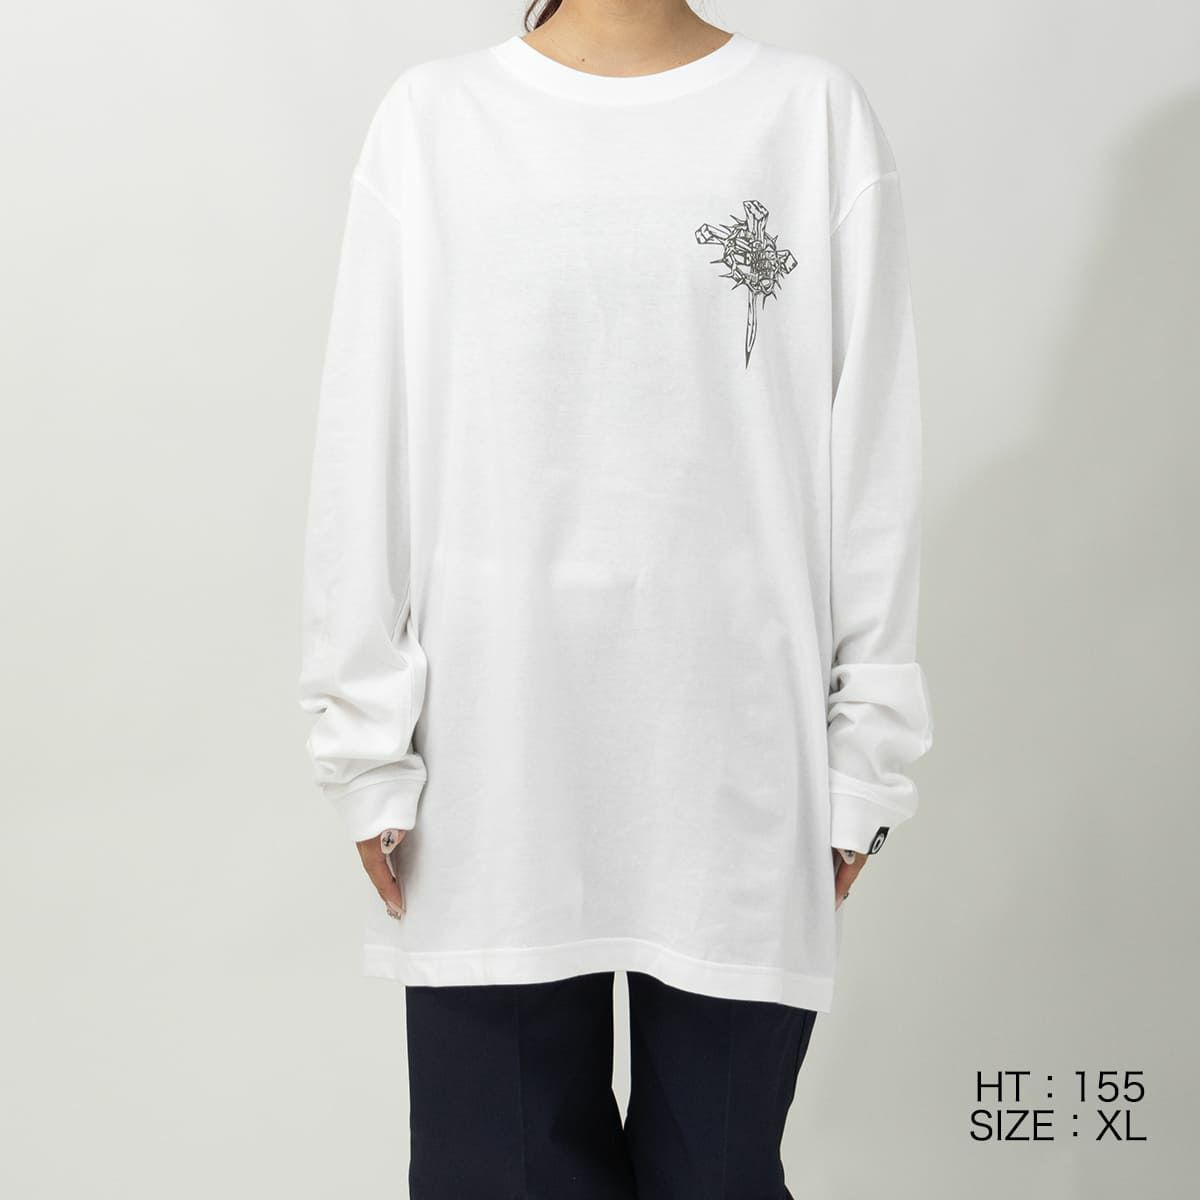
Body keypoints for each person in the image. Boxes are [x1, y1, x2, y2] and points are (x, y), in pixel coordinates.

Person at [297, 1, 934, 1194]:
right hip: (494, 770)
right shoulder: (435, 122)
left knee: (718, 1175)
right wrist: (364, 743)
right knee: (499, 1174)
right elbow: (363, 442)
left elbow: (873, 460)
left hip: (743, 770)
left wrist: (866, 759)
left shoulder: (809, 120)